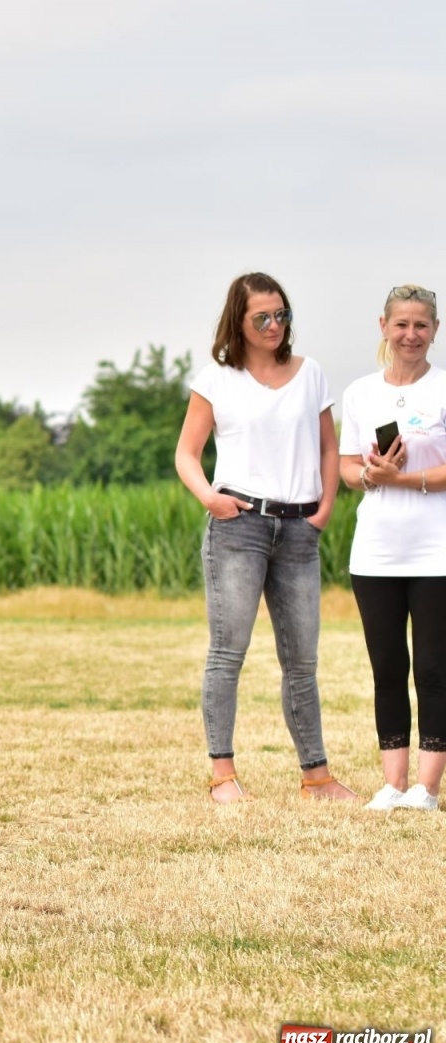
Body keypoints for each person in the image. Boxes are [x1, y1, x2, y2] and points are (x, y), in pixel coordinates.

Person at [175, 272, 357, 803]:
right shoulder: (216, 379)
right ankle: (223, 776)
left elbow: (329, 446)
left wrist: (323, 510)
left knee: (302, 661)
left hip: (300, 530)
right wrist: (210, 498)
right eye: (263, 317)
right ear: (240, 322)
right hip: (239, 527)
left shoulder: (311, 373)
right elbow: (187, 454)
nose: (275, 325)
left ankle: (316, 778)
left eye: (282, 315)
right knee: (227, 653)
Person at [337, 285, 446, 811]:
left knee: (432, 667)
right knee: (387, 667)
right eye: (401, 324)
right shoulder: (360, 393)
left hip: (436, 552)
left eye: (421, 326)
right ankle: (393, 783)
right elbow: (345, 467)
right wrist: (370, 476)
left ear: (435, 331)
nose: (411, 335)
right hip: (375, 552)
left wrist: (403, 480)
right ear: (383, 326)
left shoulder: (444, 389)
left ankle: (427, 788)